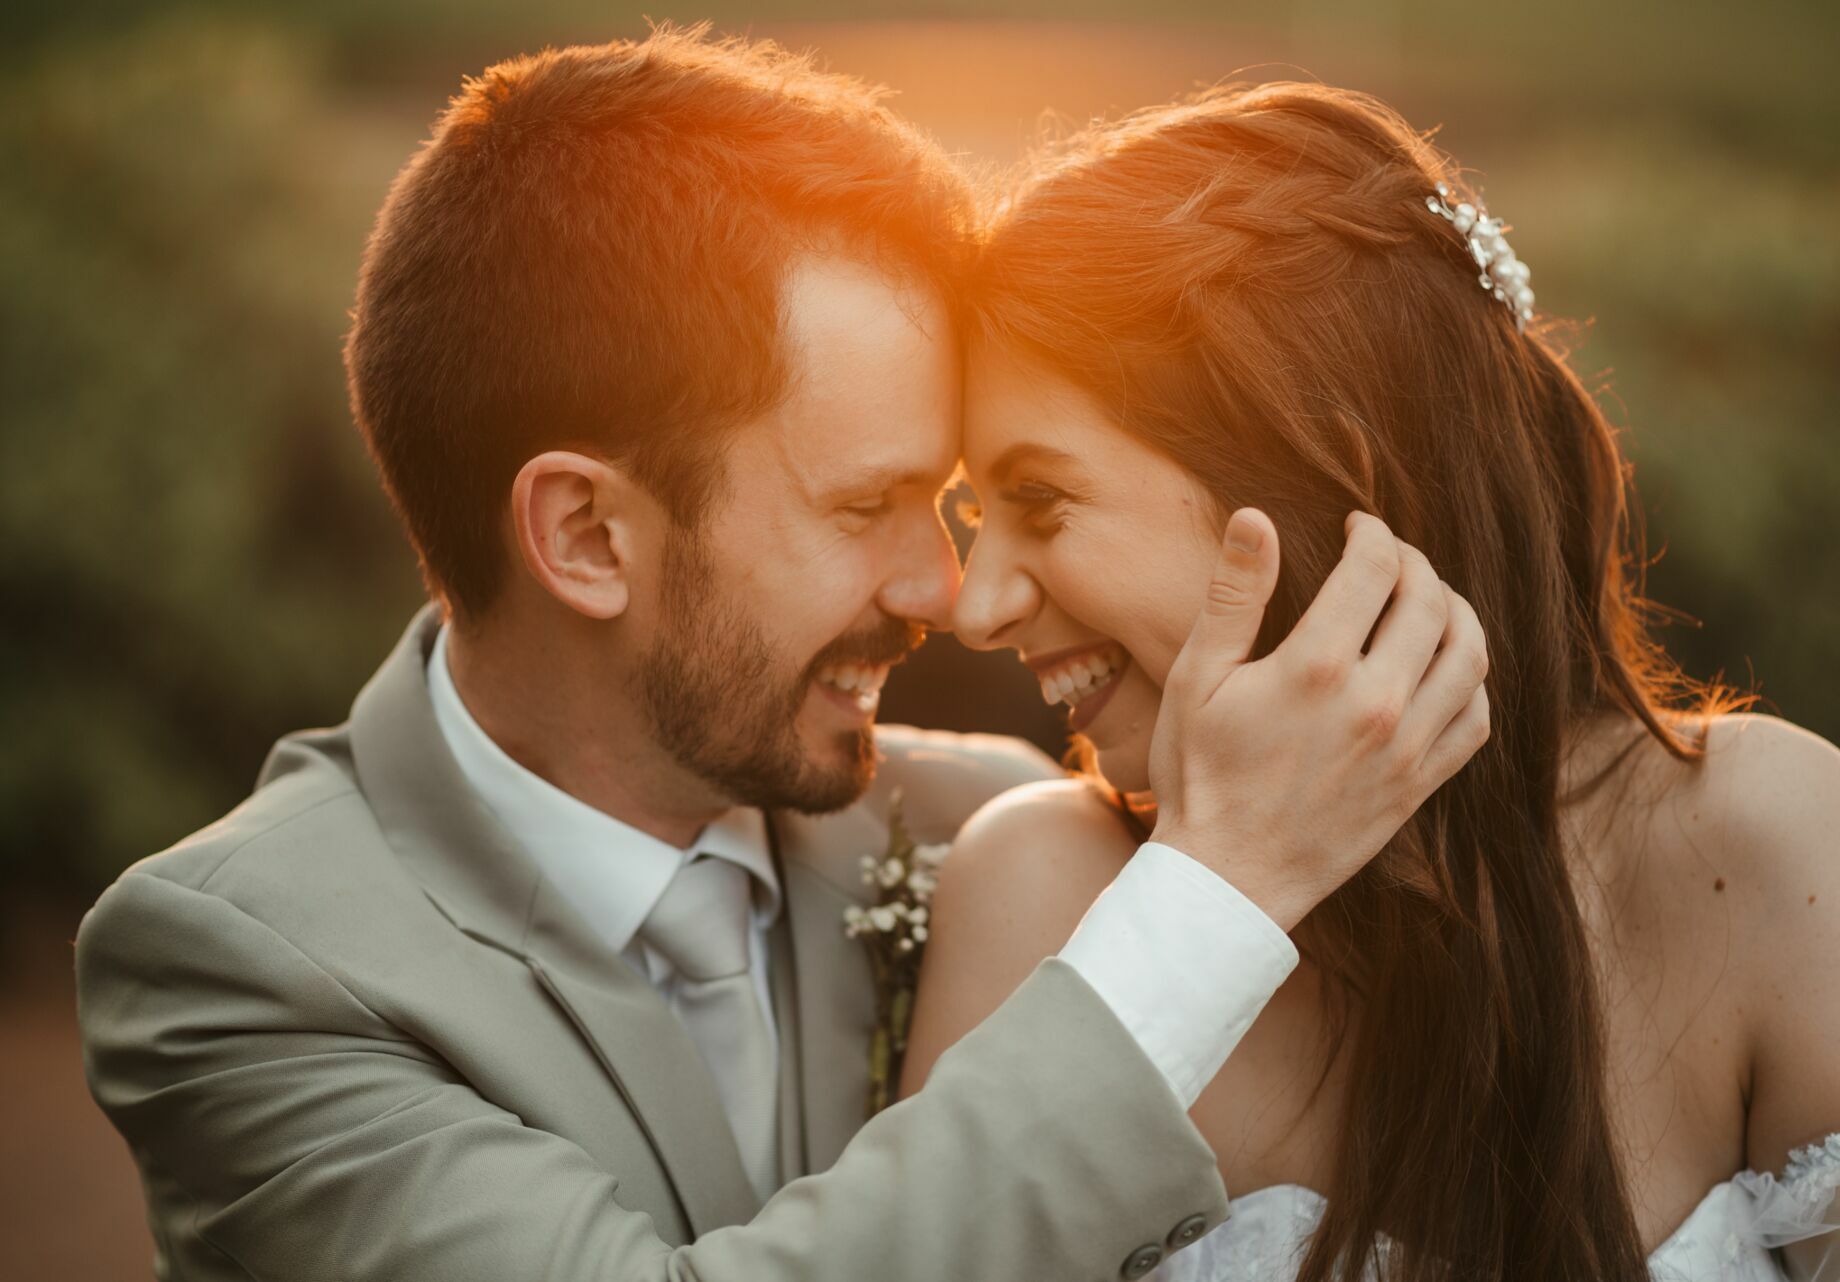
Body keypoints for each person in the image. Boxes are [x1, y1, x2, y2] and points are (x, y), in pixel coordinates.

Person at [74, 35, 1491, 1282]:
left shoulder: (998, 835)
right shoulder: (242, 967)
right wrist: (1209, 903)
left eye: (944, 502)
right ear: (585, 536)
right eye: (865, 505)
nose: (941, 589)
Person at [903, 82, 1840, 1280]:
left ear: (1305, 474)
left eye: (1040, 500)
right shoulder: (1037, 890)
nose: (974, 606)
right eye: (977, 513)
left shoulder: (1749, 846)